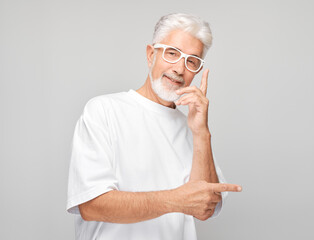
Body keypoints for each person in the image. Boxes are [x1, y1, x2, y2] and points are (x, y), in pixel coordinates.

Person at [66, 13, 242, 240]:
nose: (180, 69)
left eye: (192, 61)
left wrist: (201, 132)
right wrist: (177, 199)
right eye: (172, 53)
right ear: (151, 55)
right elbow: (91, 206)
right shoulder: (103, 110)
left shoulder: (193, 128)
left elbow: (205, 209)